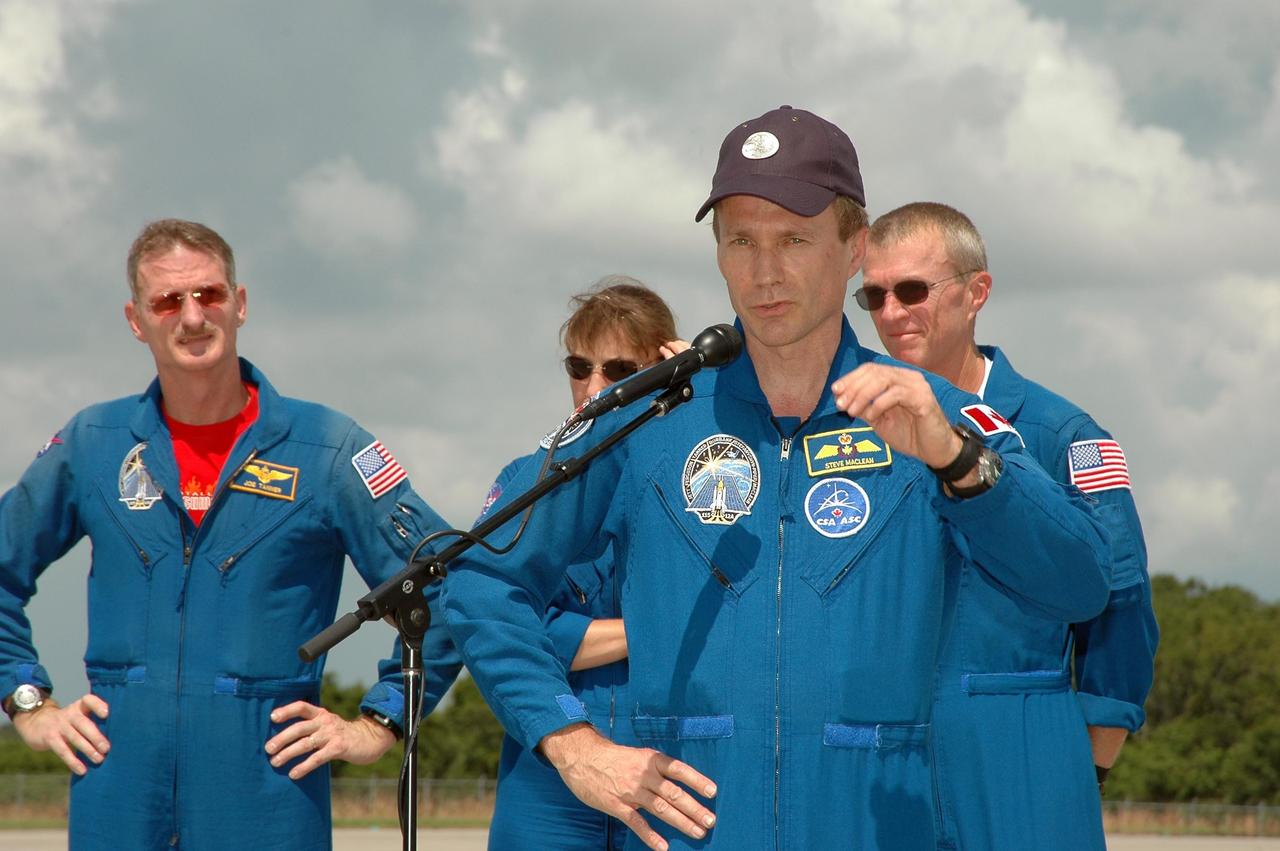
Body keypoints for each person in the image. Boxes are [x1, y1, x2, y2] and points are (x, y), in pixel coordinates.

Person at [442, 106, 1113, 850]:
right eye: (741, 241)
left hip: (880, 825)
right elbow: (479, 576)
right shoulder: (648, 420)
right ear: (719, 255)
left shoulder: (937, 416)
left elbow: (1080, 584)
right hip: (689, 829)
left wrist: (957, 462)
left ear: (853, 247)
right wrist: (569, 742)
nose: (765, 270)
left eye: (794, 238)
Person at [0, 219, 461, 850]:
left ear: (239, 304)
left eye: (209, 295)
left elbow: (447, 587)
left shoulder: (326, 450)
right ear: (136, 320)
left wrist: (381, 721)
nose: (192, 316)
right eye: (167, 301)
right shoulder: (92, 445)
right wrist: (25, 702)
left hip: (269, 800)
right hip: (118, 798)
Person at [856, 201, 1158, 850]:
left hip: (1017, 747)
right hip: (878, 761)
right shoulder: (846, 431)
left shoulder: (1062, 433)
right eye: (872, 295)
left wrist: (1086, 762)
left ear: (976, 292)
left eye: (911, 290)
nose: (890, 313)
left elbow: (1123, 605)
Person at [481, 277, 679, 851]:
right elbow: (500, 622)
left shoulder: (710, 477)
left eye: (619, 370)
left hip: (670, 758)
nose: (594, 388)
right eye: (578, 366)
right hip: (549, 759)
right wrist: (653, 635)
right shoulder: (527, 479)